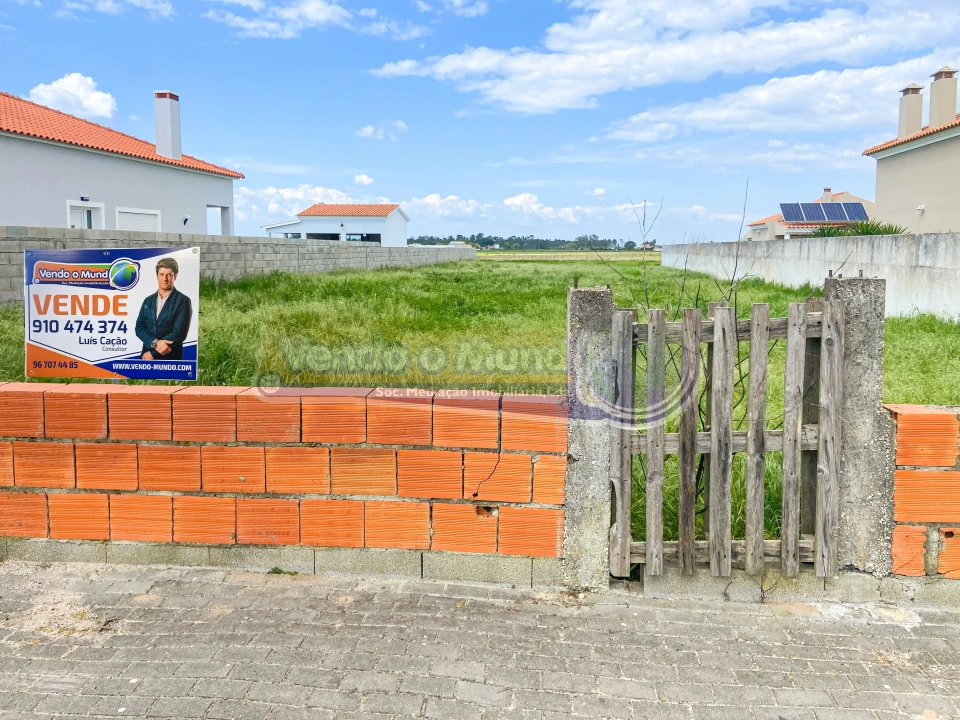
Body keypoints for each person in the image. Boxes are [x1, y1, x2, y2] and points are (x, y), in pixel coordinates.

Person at [135, 257, 192, 361]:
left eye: (169, 275)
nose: (165, 279)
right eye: (161, 274)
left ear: (175, 276)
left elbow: (179, 333)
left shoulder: (183, 301)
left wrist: (153, 354)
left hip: (170, 359)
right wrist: (155, 343)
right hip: (146, 357)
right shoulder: (148, 300)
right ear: (157, 276)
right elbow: (139, 327)